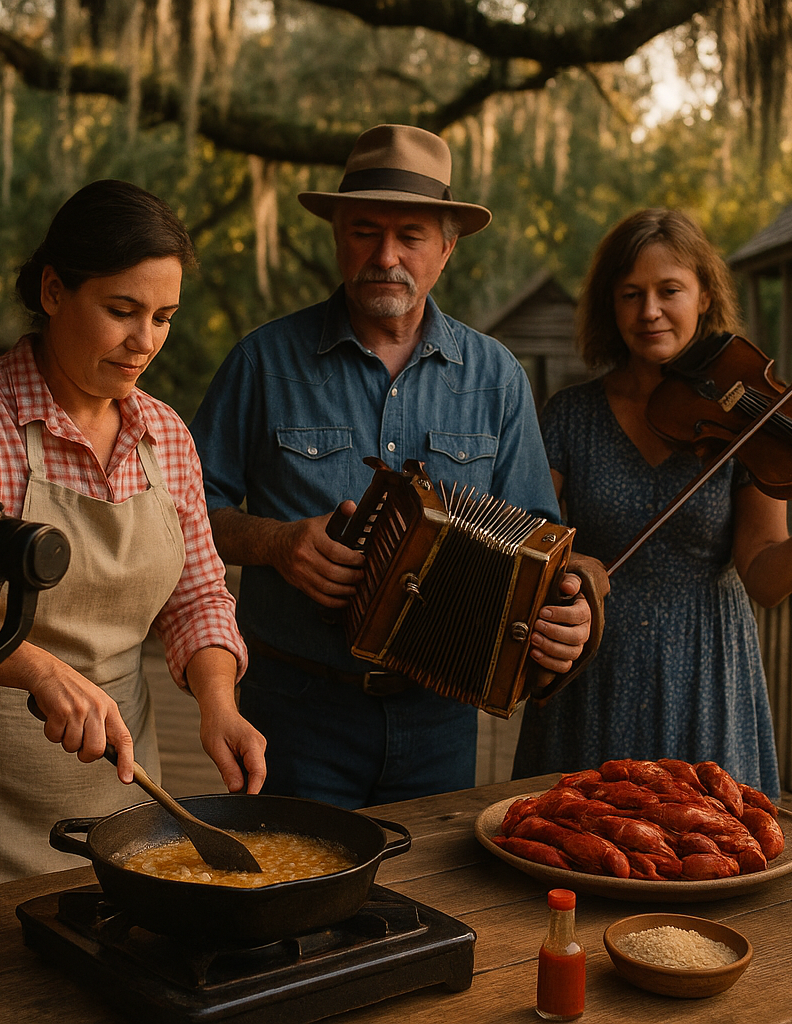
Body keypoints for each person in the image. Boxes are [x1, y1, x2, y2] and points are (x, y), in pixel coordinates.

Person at [0, 179, 267, 898]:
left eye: (163, 317)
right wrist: (35, 667)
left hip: (127, 805)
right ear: (52, 291)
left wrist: (218, 703)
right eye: (122, 311)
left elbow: (197, 593)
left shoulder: (164, 433)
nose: (145, 342)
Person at [191, 124, 593, 810]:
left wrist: (571, 609)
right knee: (293, 898)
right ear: (337, 236)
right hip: (294, 710)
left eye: (410, 234)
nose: (386, 255)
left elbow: (542, 541)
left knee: (430, 906)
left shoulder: (496, 376)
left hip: (442, 717)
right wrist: (277, 544)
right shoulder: (261, 362)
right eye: (364, 231)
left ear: (447, 246)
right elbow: (186, 513)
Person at [511, 208, 792, 798]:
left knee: (707, 850)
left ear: (705, 295)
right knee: (579, 847)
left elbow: (765, 578)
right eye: (631, 293)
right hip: (593, 663)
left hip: (707, 667)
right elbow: (530, 541)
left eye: (669, 290)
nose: (649, 311)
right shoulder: (570, 415)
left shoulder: (749, 421)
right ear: (611, 305)